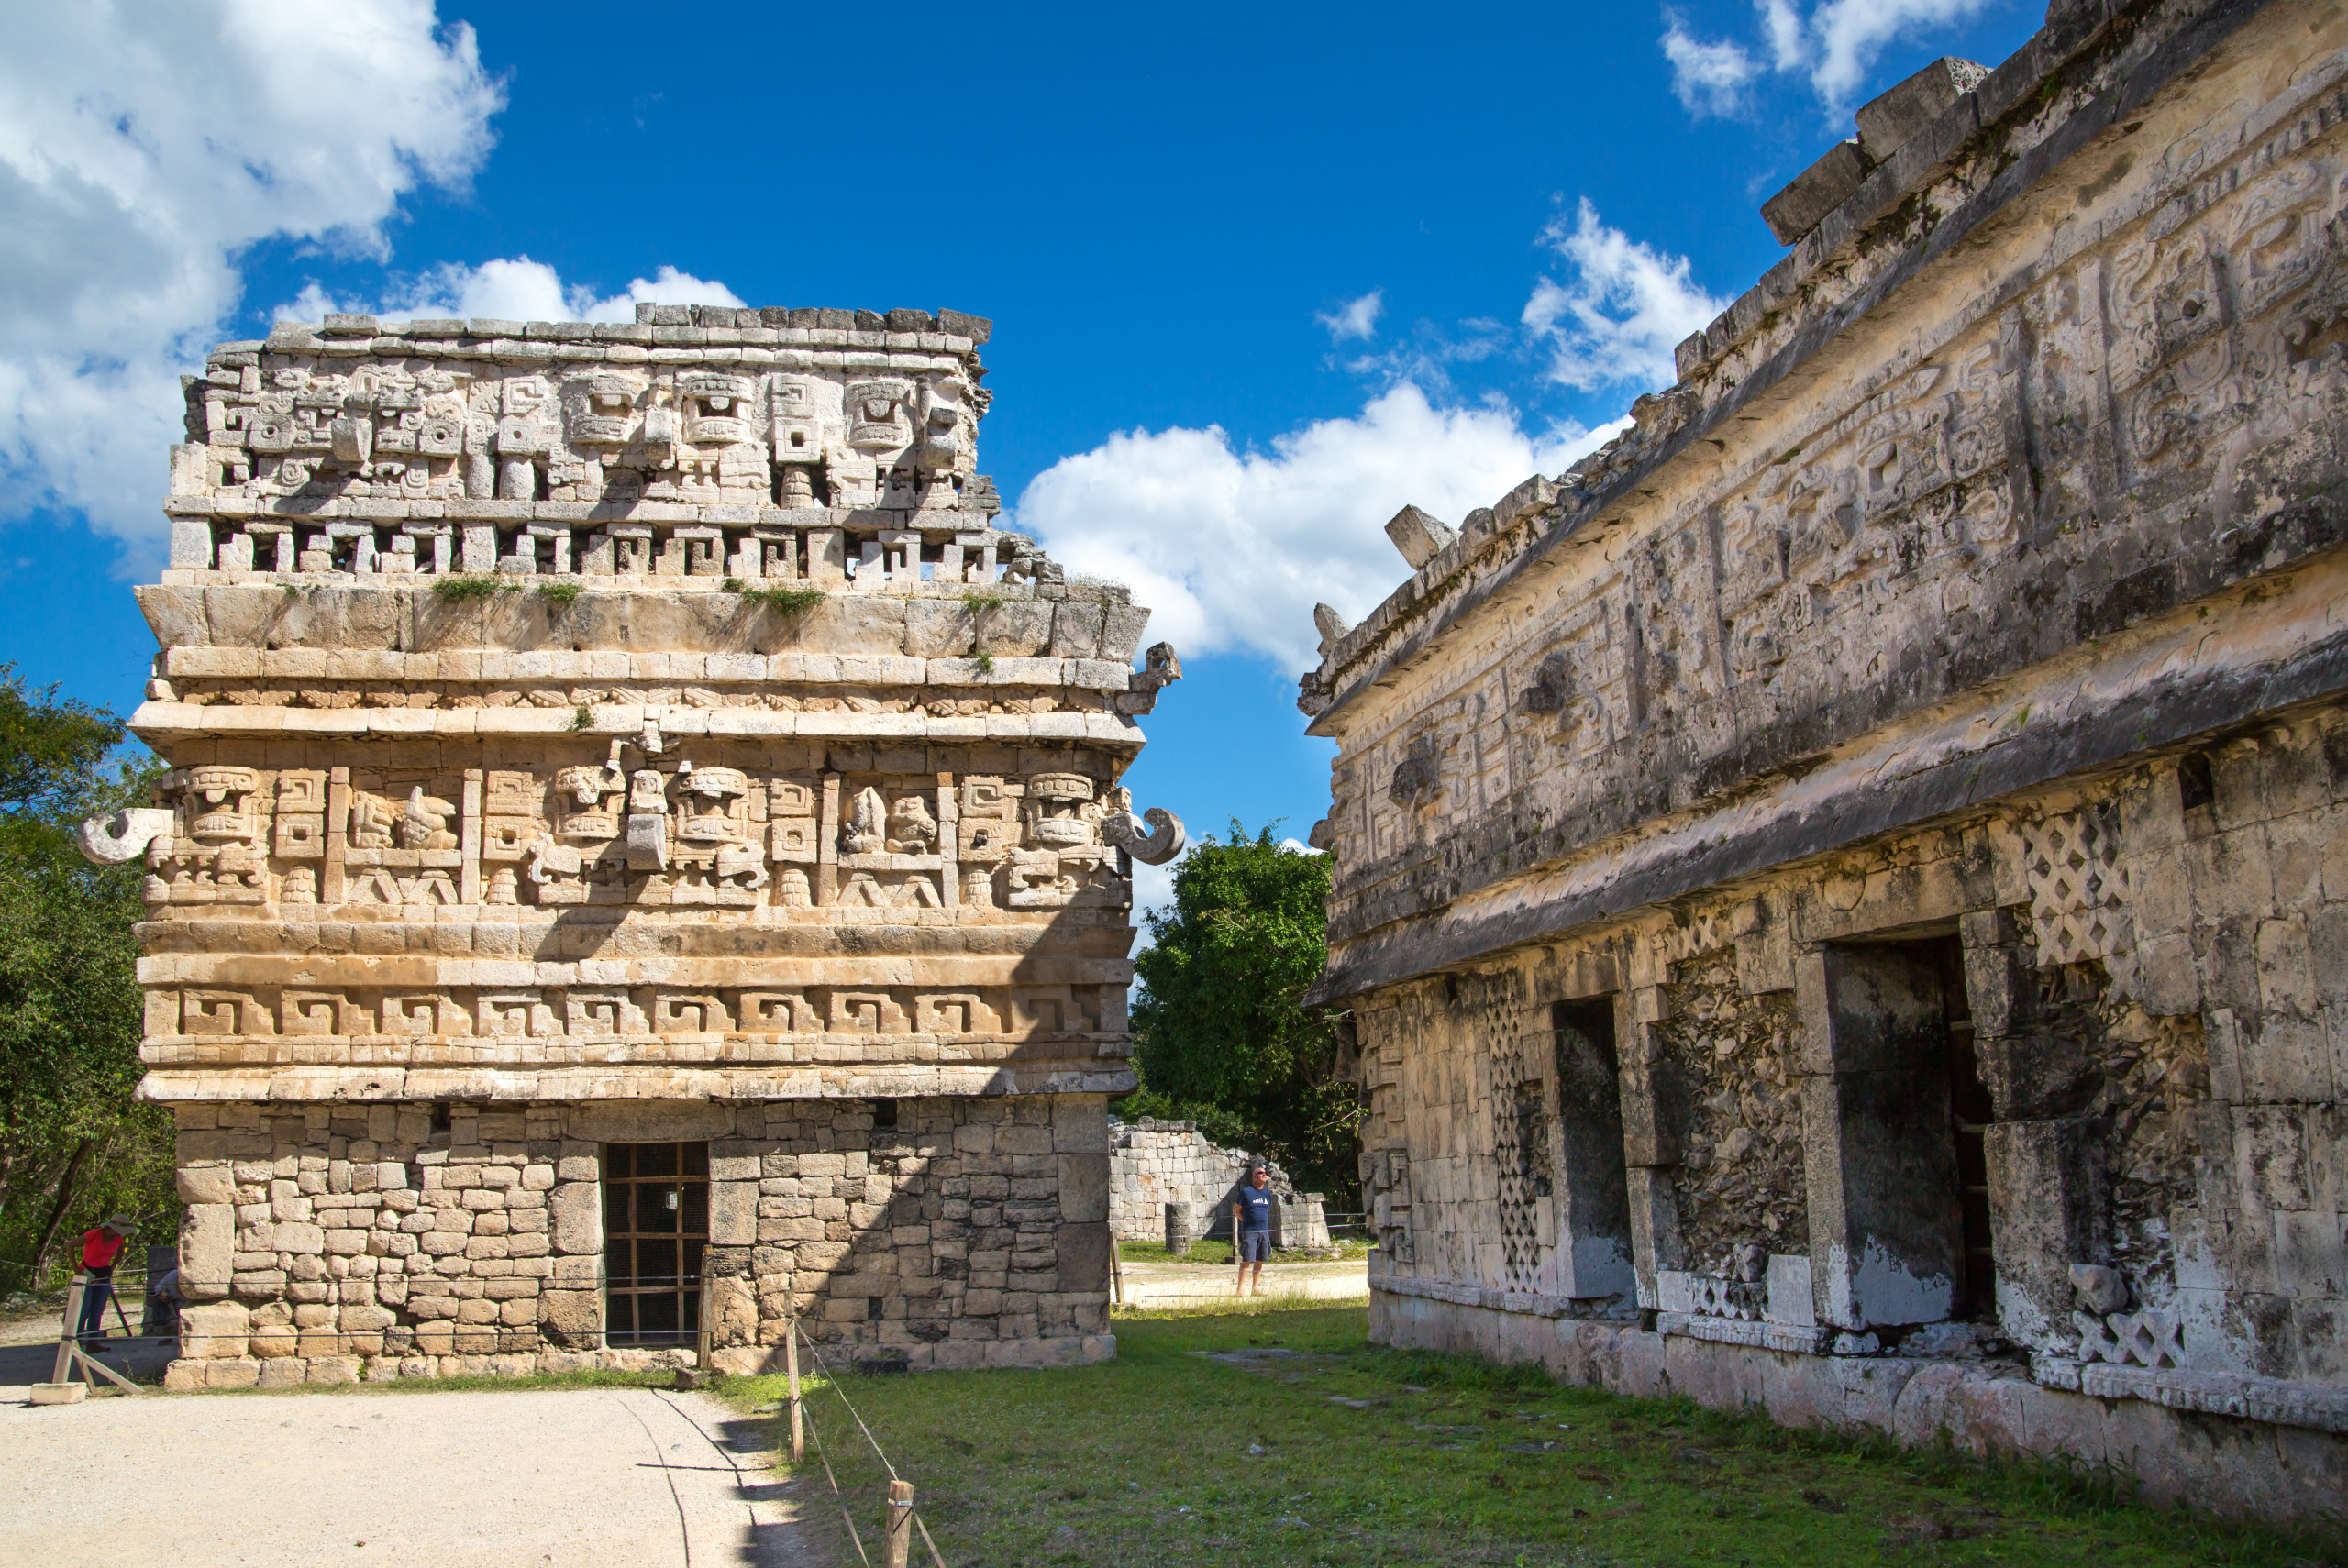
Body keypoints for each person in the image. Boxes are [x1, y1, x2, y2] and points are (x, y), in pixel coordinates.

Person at [74, 1215, 135, 1345]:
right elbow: (70, 1245)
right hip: (88, 1274)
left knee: (97, 1312)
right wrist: (76, 1270)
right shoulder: (94, 1234)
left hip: (104, 1275)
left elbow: (120, 1253)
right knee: (83, 1311)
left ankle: (93, 1343)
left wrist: (112, 1267)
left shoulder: (118, 1239)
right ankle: (75, 1343)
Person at [1233, 1164, 1275, 1297]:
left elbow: (1266, 1210)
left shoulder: (1268, 1194)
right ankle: (1239, 1290)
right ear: (1254, 1176)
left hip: (1264, 1231)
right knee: (1247, 1260)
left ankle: (1255, 1288)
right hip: (1250, 1231)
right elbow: (1237, 1211)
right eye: (1261, 1173)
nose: (1264, 1174)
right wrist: (1244, 1221)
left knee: (1260, 1260)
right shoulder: (1246, 1192)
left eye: (1265, 1173)